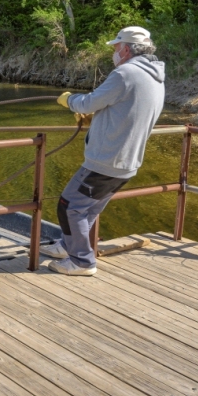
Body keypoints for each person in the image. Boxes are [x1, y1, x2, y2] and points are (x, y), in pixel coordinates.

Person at [40, 26, 165, 276]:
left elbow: (89, 102)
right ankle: (68, 247)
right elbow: (123, 111)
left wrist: (69, 99)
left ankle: (82, 261)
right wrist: (96, 118)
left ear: (126, 49)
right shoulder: (156, 77)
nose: (113, 53)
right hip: (127, 162)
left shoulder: (125, 73)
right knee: (88, 209)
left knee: (69, 205)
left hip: (106, 161)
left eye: (116, 47)